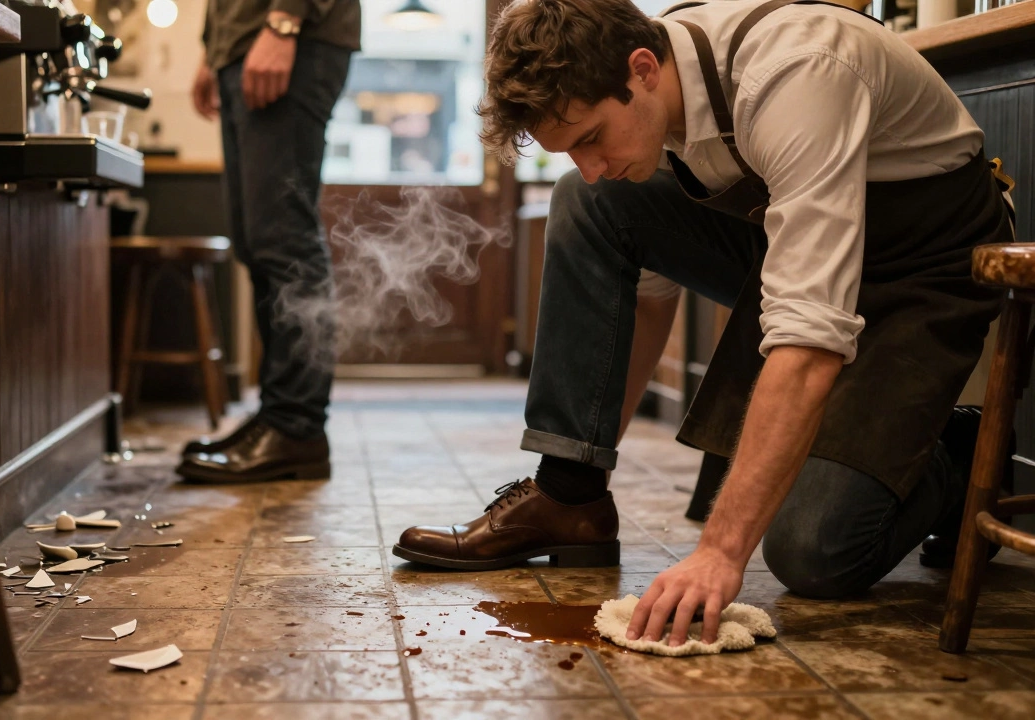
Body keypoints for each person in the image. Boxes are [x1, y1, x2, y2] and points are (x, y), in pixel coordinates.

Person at [394, 0, 1014, 647]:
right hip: (813, 240)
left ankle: (953, 458)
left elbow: (808, 342)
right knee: (590, 200)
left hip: (924, 262)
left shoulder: (795, 76)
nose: (593, 162)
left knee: (814, 553)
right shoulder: (663, 91)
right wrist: (584, 462)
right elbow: (643, 301)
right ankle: (568, 499)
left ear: (642, 70)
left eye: (589, 138)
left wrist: (720, 551)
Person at [177, 0, 360, 484]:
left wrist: (285, 19)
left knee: (284, 241)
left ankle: (296, 428)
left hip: (294, 35)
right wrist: (212, 51)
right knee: (256, 242)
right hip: (242, 43)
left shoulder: (286, 26)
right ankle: (279, 417)